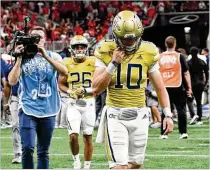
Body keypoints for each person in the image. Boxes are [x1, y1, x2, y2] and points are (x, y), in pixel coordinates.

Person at [93, 10, 174, 169]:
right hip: (115, 115)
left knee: (135, 165)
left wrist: (168, 114)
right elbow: (95, 88)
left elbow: (160, 87)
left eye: (133, 38)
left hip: (140, 115)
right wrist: (113, 64)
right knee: (119, 166)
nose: (130, 42)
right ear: (116, 35)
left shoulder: (148, 51)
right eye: (125, 39)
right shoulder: (106, 50)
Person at [8, 26, 68, 169]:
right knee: (27, 148)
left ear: (45, 40)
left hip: (49, 108)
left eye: (40, 37)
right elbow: (11, 81)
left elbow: (65, 71)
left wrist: (44, 55)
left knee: (43, 151)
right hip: (28, 108)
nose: (37, 40)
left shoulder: (54, 56)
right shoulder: (24, 57)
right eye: (34, 37)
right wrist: (19, 58)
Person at [58, 35, 106, 169]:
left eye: (82, 47)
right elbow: (61, 84)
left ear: (87, 49)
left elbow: (101, 82)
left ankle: (87, 166)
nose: (79, 49)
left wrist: (87, 90)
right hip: (73, 103)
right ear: (71, 49)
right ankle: (76, 160)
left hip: (89, 102)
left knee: (88, 136)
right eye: (77, 47)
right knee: (73, 136)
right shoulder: (66, 62)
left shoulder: (94, 61)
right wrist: (70, 92)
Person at [158, 36, 192, 139]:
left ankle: (164, 133)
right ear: (175, 44)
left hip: (164, 86)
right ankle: (183, 132)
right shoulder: (179, 56)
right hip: (177, 85)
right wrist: (189, 88)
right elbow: (186, 73)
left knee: (165, 110)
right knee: (181, 110)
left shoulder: (159, 56)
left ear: (165, 44)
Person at [188, 47, 209, 125]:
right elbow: (206, 74)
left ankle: (193, 115)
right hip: (200, 83)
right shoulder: (202, 62)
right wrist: (205, 82)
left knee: (189, 100)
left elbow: (186, 75)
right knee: (199, 102)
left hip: (191, 83)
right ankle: (199, 119)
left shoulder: (188, 63)